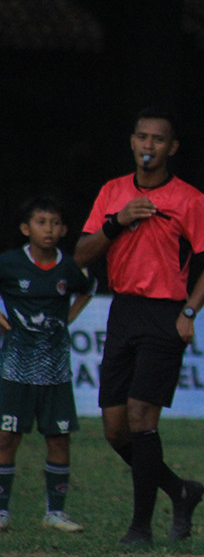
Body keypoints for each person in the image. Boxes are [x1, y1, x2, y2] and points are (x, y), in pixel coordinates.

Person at [74, 107, 204, 546]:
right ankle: (180, 491)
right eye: (142, 137)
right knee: (115, 429)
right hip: (122, 311)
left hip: (164, 315)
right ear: (132, 142)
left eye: (158, 139)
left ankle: (140, 528)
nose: (148, 146)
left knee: (142, 419)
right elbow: (82, 255)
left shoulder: (190, 200)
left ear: (171, 148)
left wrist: (189, 312)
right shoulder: (112, 192)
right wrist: (116, 221)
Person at [0, 196, 96, 533]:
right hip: (15, 368)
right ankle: (2, 511)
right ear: (26, 228)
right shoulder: (10, 263)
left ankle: (55, 513)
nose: (49, 229)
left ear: (64, 229)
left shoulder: (67, 266)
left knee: (59, 438)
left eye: (55, 223)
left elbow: (88, 288)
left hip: (55, 371)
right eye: (41, 222)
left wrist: (68, 317)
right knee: (7, 437)